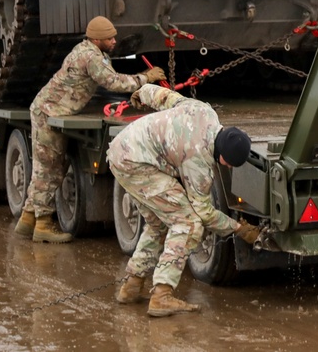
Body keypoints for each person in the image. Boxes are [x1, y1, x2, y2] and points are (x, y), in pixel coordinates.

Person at [107, 84, 262, 317]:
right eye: (228, 163)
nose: (226, 167)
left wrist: (142, 93)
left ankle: (131, 286)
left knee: (159, 223)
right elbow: (204, 213)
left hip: (123, 149)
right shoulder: (198, 162)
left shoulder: (205, 112)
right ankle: (162, 295)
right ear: (223, 156)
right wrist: (239, 229)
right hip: (136, 164)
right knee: (188, 222)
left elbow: (167, 96)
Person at [13, 16, 165, 243]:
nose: (114, 41)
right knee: (49, 169)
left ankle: (27, 219)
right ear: (96, 39)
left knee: (51, 166)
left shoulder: (90, 51)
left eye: (113, 36)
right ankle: (42, 224)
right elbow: (114, 83)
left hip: (50, 110)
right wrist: (146, 77)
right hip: (49, 112)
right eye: (109, 38)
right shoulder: (90, 56)